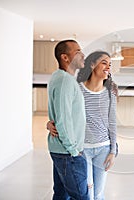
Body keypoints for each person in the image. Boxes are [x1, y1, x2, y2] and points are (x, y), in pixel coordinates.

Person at [48, 51, 117, 200]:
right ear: (92, 65)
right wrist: (49, 123)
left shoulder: (110, 92)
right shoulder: (77, 88)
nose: (108, 67)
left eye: (110, 64)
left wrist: (113, 150)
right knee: (88, 194)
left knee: (98, 194)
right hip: (82, 150)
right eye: (104, 63)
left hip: (103, 149)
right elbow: (64, 113)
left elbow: (112, 122)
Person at [47, 39, 88, 199]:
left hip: (62, 151)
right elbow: (63, 120)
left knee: (61, 195)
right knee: (81, 196)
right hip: (68, 153)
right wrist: (74, 151)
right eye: (77, 51)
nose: (82, 54)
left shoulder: (61, 78)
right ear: (65, 57)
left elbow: (59, 114)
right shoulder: (65, 81)